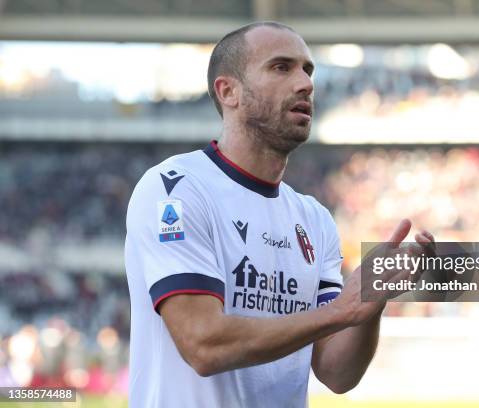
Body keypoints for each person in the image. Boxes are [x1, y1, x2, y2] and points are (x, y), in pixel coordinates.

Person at [125, 21, 434, 408]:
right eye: (281, 67)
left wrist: (370, 305)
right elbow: (203, 343)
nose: (305, 83)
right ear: (229, 91)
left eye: (308, 70)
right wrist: (340, 311)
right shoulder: (175, 189)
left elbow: (336, 374)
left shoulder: (314, 218)